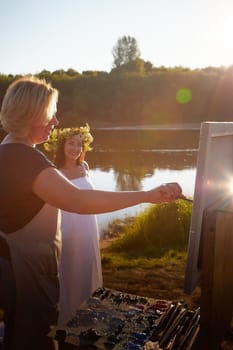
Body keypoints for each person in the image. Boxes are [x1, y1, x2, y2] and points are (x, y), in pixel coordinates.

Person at [0, 75, 183, 350]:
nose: (56, 122)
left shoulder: (6, 152)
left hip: (14, 269)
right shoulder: (25, 159)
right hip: (28, 275)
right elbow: (79, 200)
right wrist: (147, 195)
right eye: (51, 114)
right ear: (31, 114)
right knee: (34, 338)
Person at [44, 124, 103, 324]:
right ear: (62, 146)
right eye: (71, 144)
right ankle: (67, 314)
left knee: (87, 265)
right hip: (67, 228)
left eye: (79, 144)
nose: (75, 149)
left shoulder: (84, 167)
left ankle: (87, 310)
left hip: (88, 227)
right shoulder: (54, 172)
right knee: (68, 269)